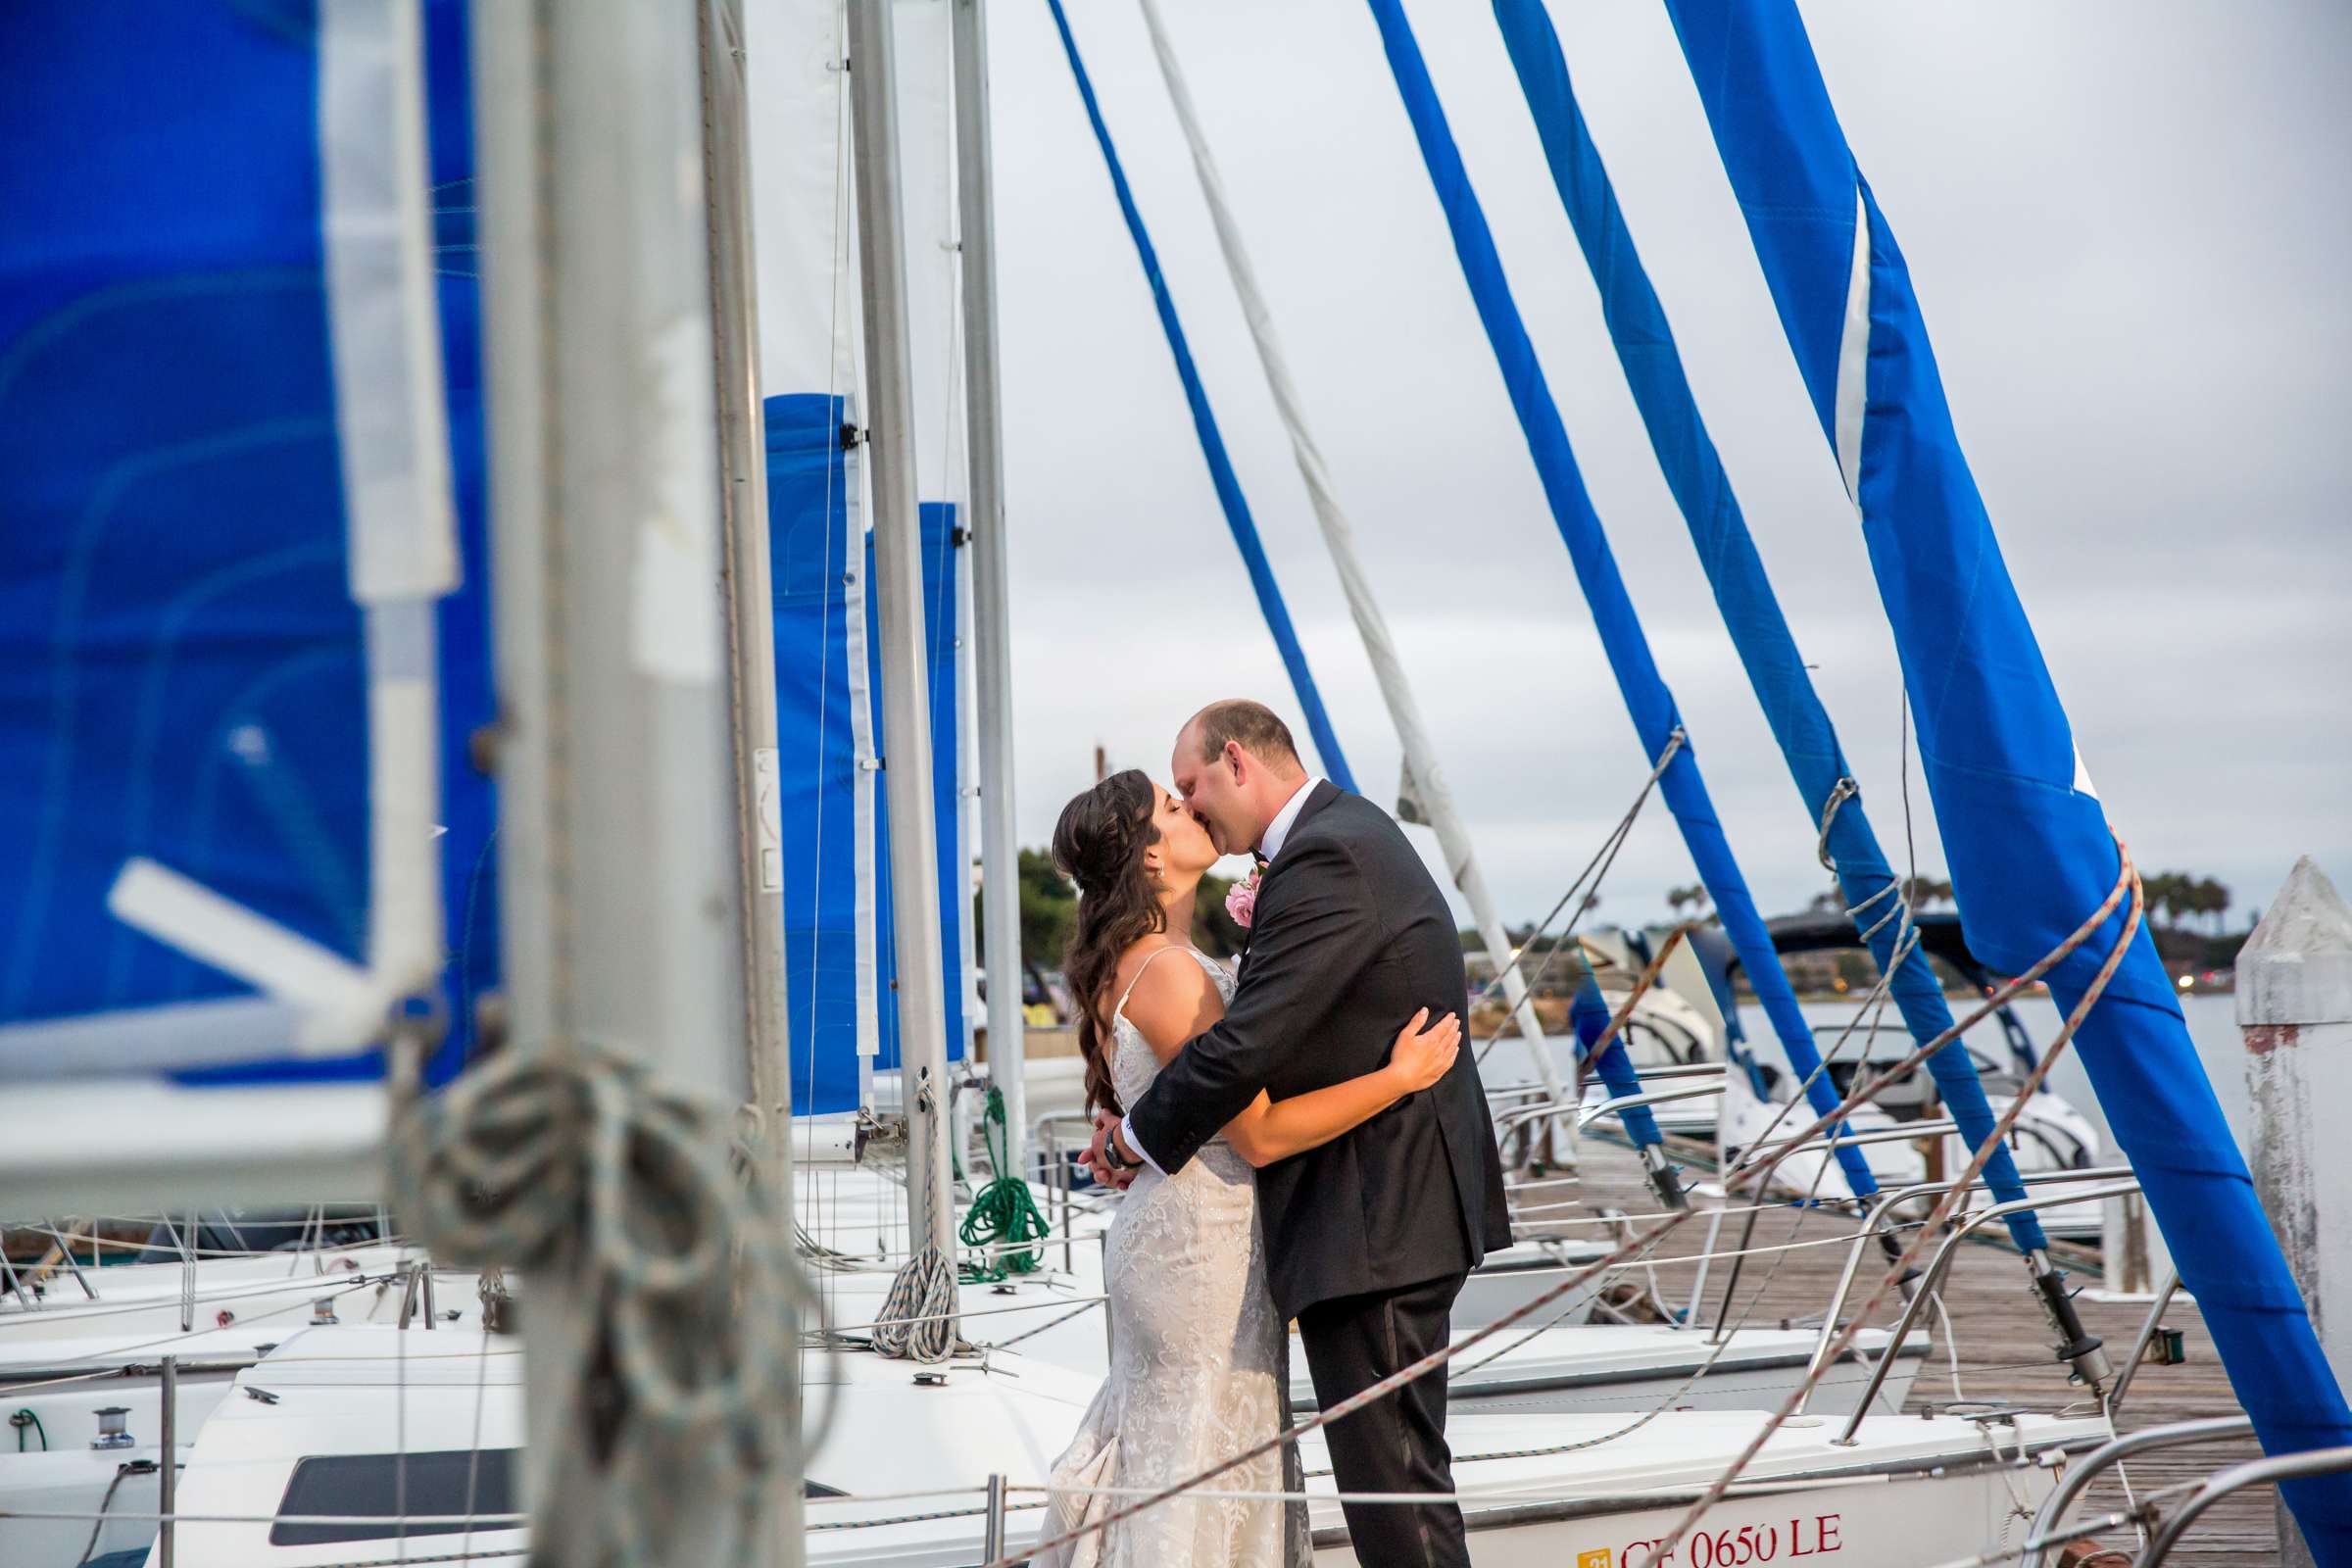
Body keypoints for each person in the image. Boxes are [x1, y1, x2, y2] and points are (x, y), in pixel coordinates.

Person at [1086, 700, 1513, 1567]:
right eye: (1175, 802)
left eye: (1192, 787)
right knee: (1387, 1489)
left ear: (1238, 762)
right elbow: (1248, 1055)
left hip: (1380, 1216)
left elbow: (1244, 1048)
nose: (1192, 804)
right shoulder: (1327, 844)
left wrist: (1131, 1141)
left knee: (1395, 1494)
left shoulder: (1326, 852)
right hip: (1339, 1219)